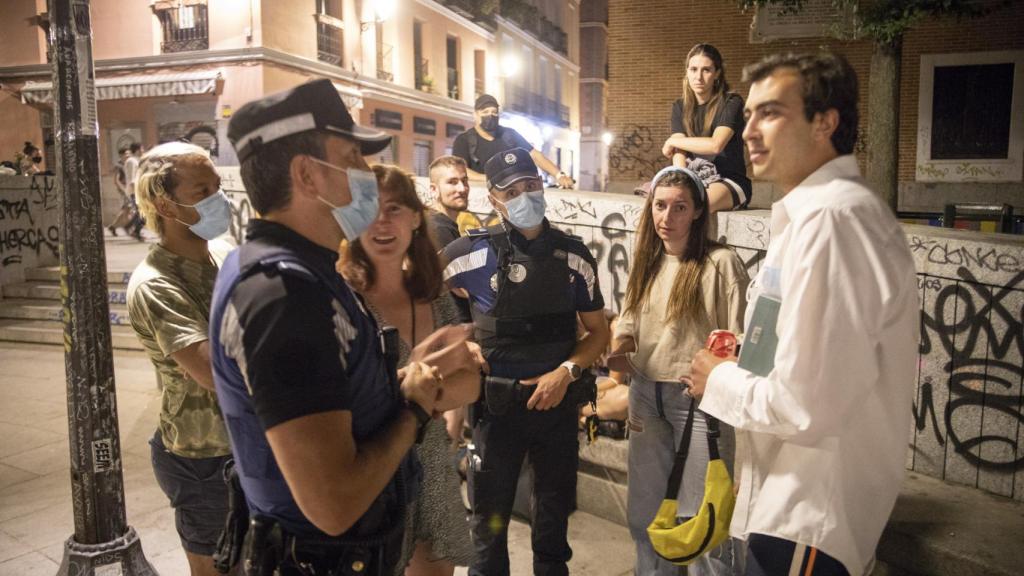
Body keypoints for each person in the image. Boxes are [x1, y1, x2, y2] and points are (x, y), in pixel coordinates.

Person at [209, 78, 478, 576]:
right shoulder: (282, 296)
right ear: (307, 174)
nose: (365, 173)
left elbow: (331, 399)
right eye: (352, 156)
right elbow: (333, 503)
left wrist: (411, 377)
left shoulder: (303, 273)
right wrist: (414, 409)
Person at [688, 52, 919, 576]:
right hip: (786, 506)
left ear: (825, 123)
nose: (749, 131)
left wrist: (717, 379)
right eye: (749, 114)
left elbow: (804, 403)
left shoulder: (834, 221)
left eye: (771, 113)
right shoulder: (811, 216)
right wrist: (748, 357)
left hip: (809, 515)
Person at [443, 147, 609, 576]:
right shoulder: (469, 253)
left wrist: (566, 372)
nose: (524, 196)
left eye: (532, 185)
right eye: (512, 191)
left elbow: (598, 332)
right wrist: (461, 339)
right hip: (496, 408)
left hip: (557, 405)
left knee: (553, 521)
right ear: (494, 199)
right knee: (489, 525)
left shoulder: (573, 255)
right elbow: (420, 298)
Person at [340, 164, 480, 576]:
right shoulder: (340, 297)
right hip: (369, 466)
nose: (382, 221)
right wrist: (430, 383)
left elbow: (470, 384)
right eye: (369, 208)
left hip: (431, 460)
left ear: (416, 218)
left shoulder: (432, 293)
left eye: (394, 209)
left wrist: (420, 388)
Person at [607, 166, 747, 576]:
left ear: (699, 211)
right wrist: (619, 348)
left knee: (704, 517)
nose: (666, 217)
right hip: (645, 394)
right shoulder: (647, 259)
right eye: (660, 205)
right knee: (647, 512)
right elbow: (629, 321)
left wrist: (717, 377)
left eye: (679, 207)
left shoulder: (721, 263)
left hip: (699, 402)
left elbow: (739, 340)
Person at [125, 141, 235, 576]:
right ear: (165, 205)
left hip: (245, 443)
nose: (218, 199)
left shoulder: (223, 254)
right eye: (202, 191)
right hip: (202, 458)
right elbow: (213, 371)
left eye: (217, 186)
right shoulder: (156, 283)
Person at [662, 44, 751, 213]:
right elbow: (679, 150)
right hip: (694, 178)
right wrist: (682, 181)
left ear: (717, 73)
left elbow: (716, 145)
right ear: (687, 72)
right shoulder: (680, 106)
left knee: (695, 207)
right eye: (693, 69)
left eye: (706, 70)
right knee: (668, 202)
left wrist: (672, 141)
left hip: (729, 180)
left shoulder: (731, 102)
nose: (698, 77)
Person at [452, 94, 574, 188]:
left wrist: (559, 175)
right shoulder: (464, 140)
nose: (490, 116)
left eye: (494, 112)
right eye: (485, 112)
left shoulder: (509, 135)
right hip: (477, 202)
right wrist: (489, 178)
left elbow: (535, 156)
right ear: (475, 115)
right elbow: (460, 170)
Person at [124, 142, 147, 239]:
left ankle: (131, 228)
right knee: (144, 212)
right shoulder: (132, 161)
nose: (143, 151)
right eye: (142, 149)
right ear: (137, 150)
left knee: (142, 212)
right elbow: (133, 179)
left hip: (136, 190)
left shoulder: (135, 161)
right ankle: (134, 230)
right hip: (134, 191)